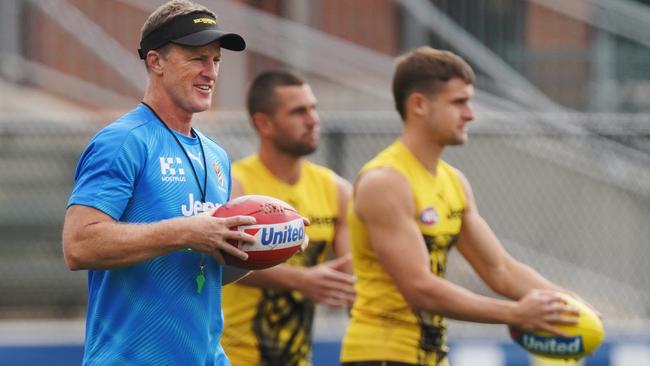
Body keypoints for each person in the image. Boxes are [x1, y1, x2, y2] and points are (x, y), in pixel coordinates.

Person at [340, 46, 591, 366]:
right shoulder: (385, 181)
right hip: (381, 355)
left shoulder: (454, 182)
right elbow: (419, 288)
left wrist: (567, 304)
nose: (470, 114)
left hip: (430, 355)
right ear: (419, 104)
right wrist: (515, 313)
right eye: (459, 102)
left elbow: (500, 269)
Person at [62, 1, 260, 364]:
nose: (210, 72)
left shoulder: (216, 155)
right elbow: (78, 245)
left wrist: (261, 247)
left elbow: (204, 272)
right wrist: (185, 231)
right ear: (156, 62)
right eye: (198, 58)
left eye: (216, 60)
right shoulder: (124, 140)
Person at [220, 70, 356, 366]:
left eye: (313, 108)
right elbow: (221, 262)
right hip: (233, 358)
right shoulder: (234, 186)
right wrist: (300, 279)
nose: (313, 119)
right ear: (264, 123)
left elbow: (351, 281)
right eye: (298, 111)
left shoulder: (337, 191)